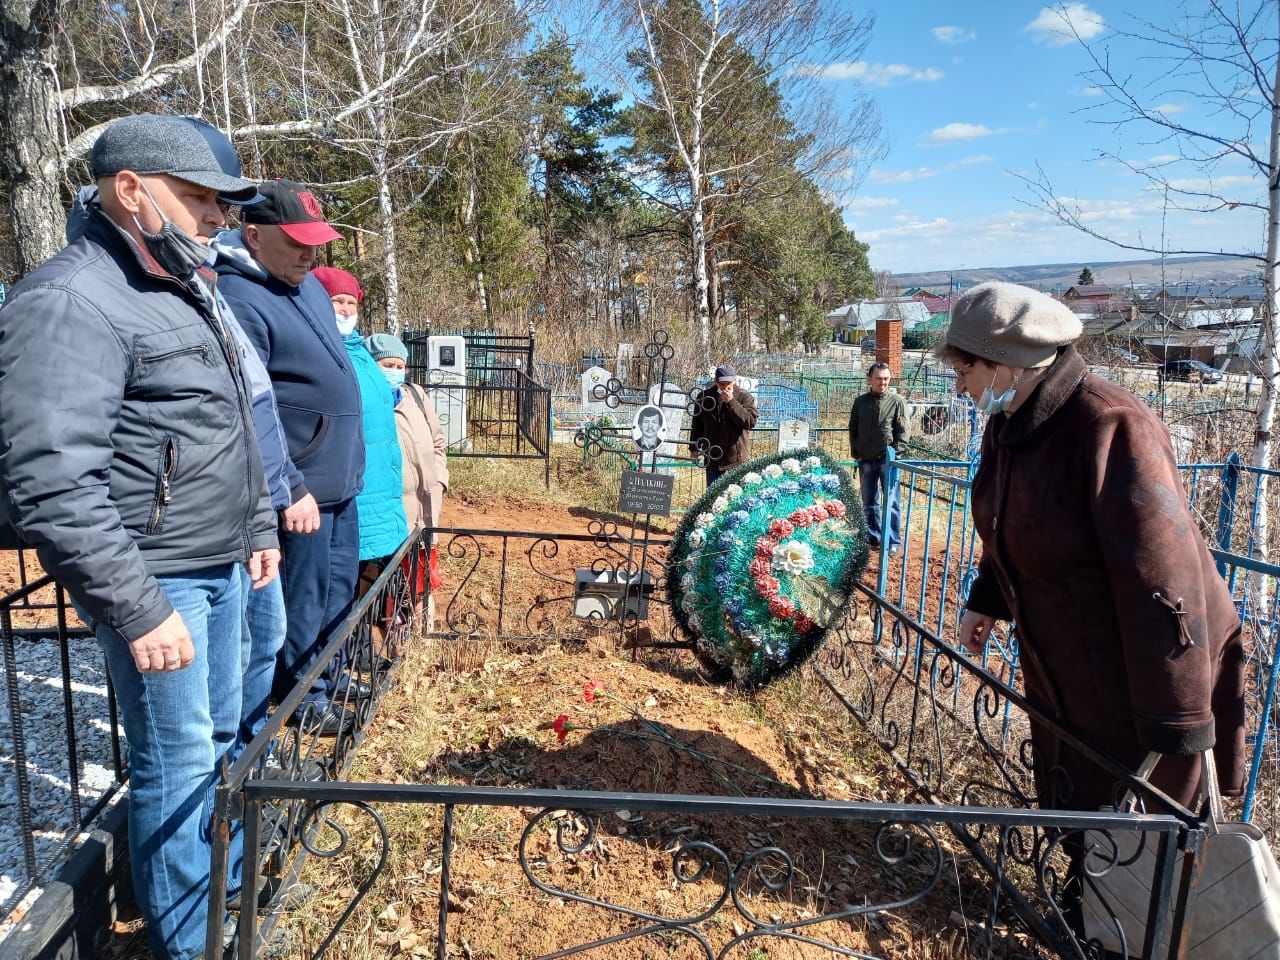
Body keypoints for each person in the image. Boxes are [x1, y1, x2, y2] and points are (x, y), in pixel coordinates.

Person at [0, 114, 279, 960]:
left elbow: (230, 420)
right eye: (199, 199)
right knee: (181, 764)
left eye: (222, 204)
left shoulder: (182, 284)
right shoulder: (70, 299)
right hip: (158, 580)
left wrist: (256, 523)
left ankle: (225, 894)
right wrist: (136, 606)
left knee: (224, 736)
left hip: (219, 559)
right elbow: (49, 476)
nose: (217, 219)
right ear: (131, 190)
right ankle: (194, 943)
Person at [938, 281, 1245, 820]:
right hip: (1070, 669)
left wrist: (1177, 721)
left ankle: (1108, 904)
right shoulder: (1010, 423)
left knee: (1141, 831)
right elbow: (1007, 519)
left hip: (1142, 677)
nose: (962, 388)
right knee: (1081, 810)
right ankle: (1082, 901)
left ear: (1009, 364)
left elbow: (1162, 579)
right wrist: (988, 598)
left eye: (966, 373)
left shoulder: (1110, 425)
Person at [214, 180, 365, 737]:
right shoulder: (239, 298)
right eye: (297, 242)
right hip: (302, 486)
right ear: (254, 236)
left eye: (316, 242)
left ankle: (328, 675)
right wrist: (288, 484)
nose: (310, 253)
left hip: (339, 476)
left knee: (337, 591)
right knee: (301, 602)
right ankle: (302, 696)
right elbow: (251, 406)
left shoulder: (307, 289)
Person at [312, 266, 409, 565]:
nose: (345, 309)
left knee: (367, 588)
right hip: (350, 495)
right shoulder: (318, 350)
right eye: (337, 301)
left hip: (379, 490)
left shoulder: (360, 352)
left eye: (351, 302)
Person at [366, 333, 450, 628]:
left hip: (424, 509)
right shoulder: (368, 400)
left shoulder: (415, 396)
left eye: (400, 365)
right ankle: (394, 646)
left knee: (423, 580)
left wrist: (439, 479)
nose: (395, 371)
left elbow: (438, 442)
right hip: (389, 512)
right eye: (388, 364)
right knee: (388, 584)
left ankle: (423, 640)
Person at [848, 362, 909, 553]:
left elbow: (904, 431)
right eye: (879, 378)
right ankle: (872, 536)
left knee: (891, 501)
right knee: (869, 501)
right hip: (865, 459)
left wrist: (894, 454)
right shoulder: (860, 402)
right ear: (870, 379)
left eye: (886, 378)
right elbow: (853, 428)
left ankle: (891, 541)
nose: (882, 382)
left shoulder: (897, 401)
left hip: (887, 459)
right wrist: (857, 453)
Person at [689, 365, 758, 485]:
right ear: (716, 382)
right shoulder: (705, 397)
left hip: (736, 460)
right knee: (714, 501)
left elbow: (749, 422)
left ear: (734, 381)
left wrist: (731, 402)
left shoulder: (744, 397)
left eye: (729, 383)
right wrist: (694, 448)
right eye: (722, 384)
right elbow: (697, 425)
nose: (725, 386)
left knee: (736, 500)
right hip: (712, 458)